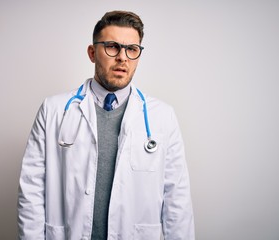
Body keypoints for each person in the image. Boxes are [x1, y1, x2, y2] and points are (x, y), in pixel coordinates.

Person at [17, 10, 195, 240]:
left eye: (132, 49)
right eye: (112, 46)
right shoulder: (53, 111)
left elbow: (177, 201)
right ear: (92, 53)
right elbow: (31, 193)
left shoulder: (162, 117)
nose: (122, 57)